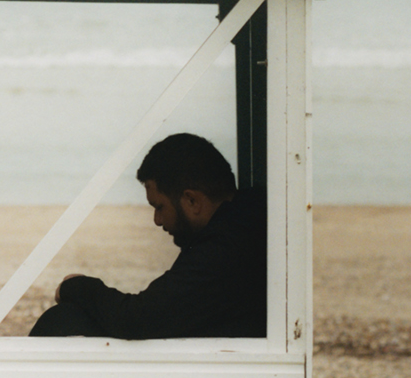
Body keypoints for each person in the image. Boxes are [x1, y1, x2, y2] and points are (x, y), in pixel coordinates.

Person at [29, 133, 265, 339]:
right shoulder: (244, 223)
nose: (157, 221)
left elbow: (137, 319)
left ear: (192, 200)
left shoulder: (225, 247)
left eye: (159, 207)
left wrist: (76, 286)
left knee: (64, 321)